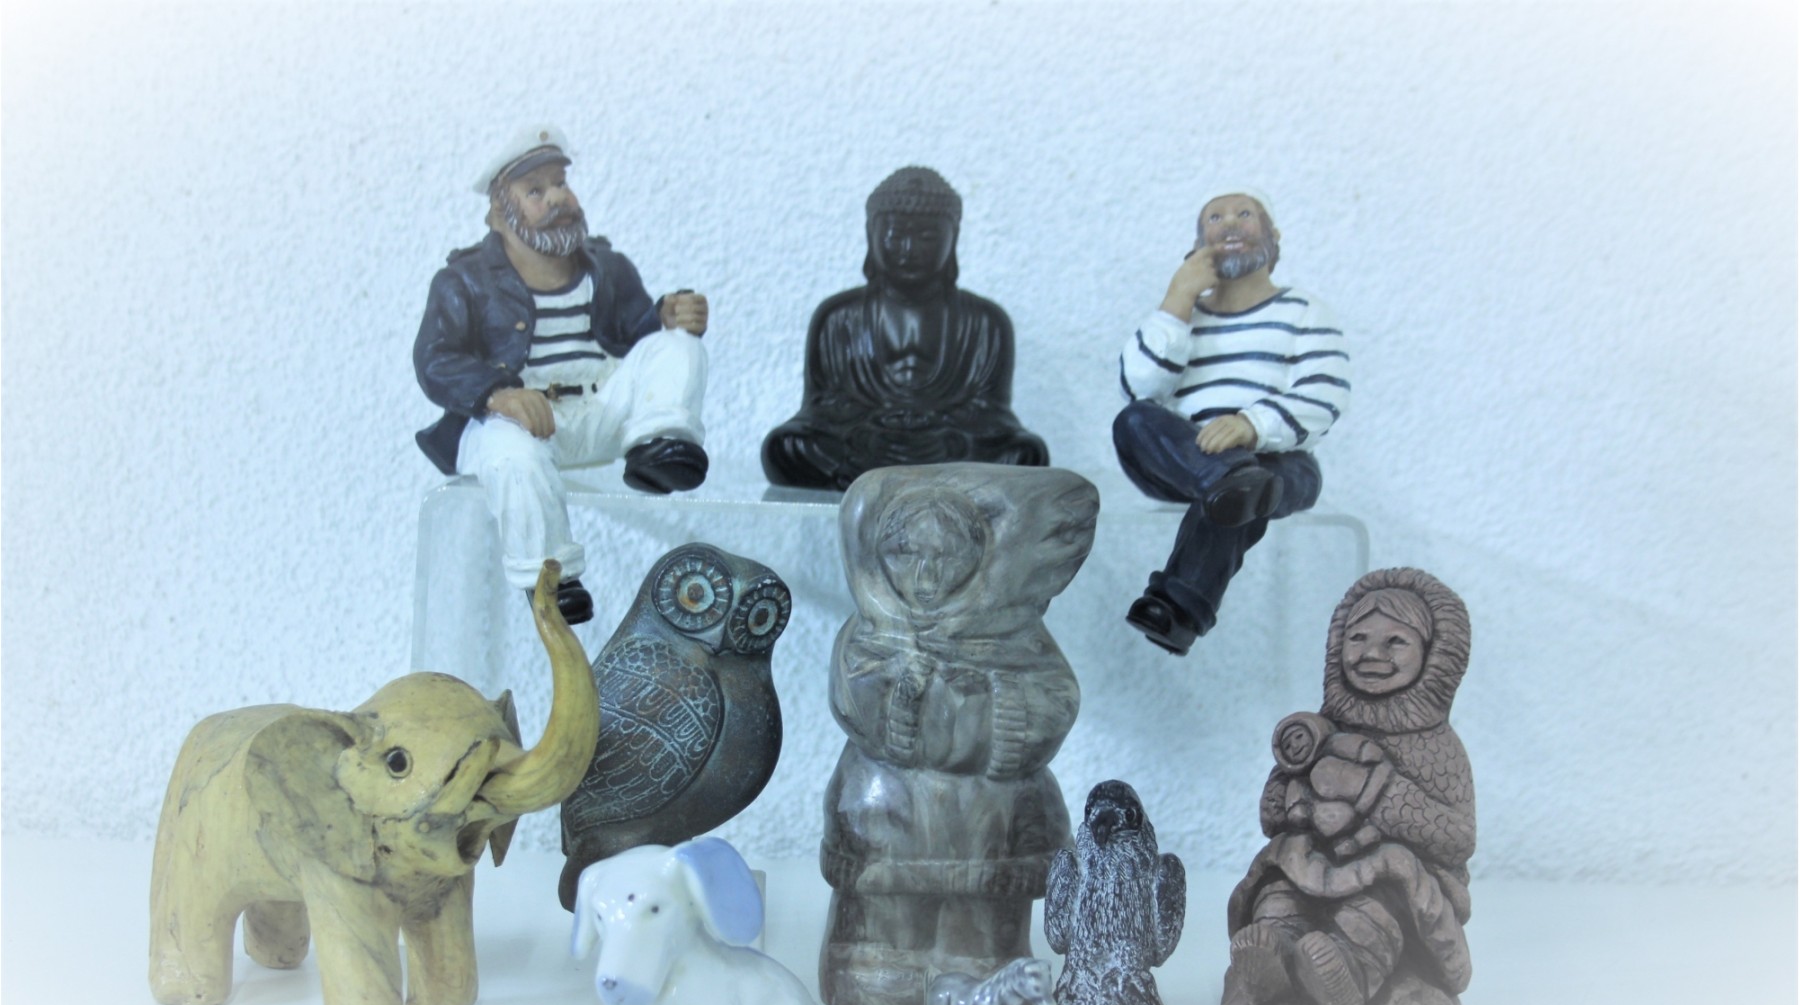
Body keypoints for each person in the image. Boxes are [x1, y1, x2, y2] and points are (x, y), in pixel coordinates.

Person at [414, 125, 711, 624]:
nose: (557, 199)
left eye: (560, 184)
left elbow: (637, 336)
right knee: (513, 459)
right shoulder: (462, 281)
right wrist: (497, 394)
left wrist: (668, 314)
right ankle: (549, 578)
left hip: (601, 409)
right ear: (500, 213)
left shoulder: (608, 267)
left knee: (678, 346)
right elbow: (434, 360)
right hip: (521, 419)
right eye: (536, 191)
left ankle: (658, 447)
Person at [1225, 569, 1474, 1005]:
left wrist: (1376, 793)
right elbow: (1272, 815)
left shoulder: (1437, 746)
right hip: (1312, 859)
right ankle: (1271, 964)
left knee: (1372, 915)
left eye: (1395, 641)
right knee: (1280, 893)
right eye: (1358, 638)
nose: (1372, 653)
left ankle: (1345, 979)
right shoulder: (1325, 727)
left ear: (1433, 653)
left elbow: (1457, 837)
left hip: (1388, 871)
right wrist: (1292, 787)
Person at [1113, 190, 1350, 654]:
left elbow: (1324, 394)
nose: (1230, 225)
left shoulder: (1305, 312)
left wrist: (1252, 425)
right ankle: (1229, 482)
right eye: (1215, 218)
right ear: (1197, 245)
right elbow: (1139, 388)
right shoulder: (1183, 317)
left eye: (1244, 214)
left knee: (1251, 487)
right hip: (1190, 460)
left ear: (1272, 236)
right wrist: (1177, 300)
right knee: (1135, 421)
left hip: (1279, 458)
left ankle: (1176, 612)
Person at [760, 166, 1048, 491]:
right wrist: (872, 427)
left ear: (953, 237)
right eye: (895, 236)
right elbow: (822, 406)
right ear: (871, 235)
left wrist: (942, 429)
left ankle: (887, 481)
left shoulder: (986, 321)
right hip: (865, 443)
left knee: (1026, 453)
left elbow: (991, 412)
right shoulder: (837, 316)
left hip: (948, 444)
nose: (909, 250)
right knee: (786, 447)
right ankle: (910, 481)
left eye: (927, 237)